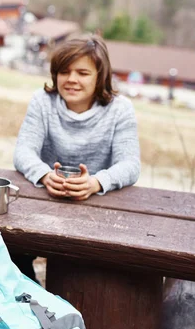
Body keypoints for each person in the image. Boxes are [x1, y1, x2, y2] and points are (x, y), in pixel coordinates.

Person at [12, 35, 140, 280]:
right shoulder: (42, 101)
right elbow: (23, 151)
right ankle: (34, 302)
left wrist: (96, 183)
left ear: (99, 77)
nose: (71, 79)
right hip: (46, 203)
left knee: (88, 274)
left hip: (95, 210)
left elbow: (131, 164)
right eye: (64, 71)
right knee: (11, 249)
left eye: (82, 73)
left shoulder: (120, 109)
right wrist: (45, 175)